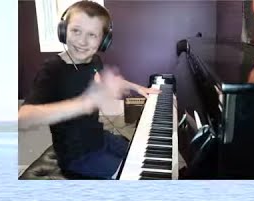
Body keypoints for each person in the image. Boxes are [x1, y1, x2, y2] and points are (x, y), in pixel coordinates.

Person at [18, 0, 159, 178]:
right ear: (63, 31)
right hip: (77, 156)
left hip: (99, 137)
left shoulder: (94, 61)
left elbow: (107, 79)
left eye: (92, 35)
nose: (82, 41)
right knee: (131, 175)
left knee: (139, 154)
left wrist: (137, 87)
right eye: (76, 31)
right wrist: (84, 103)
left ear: (104, 41)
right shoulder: (52, 70)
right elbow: (24, 118)